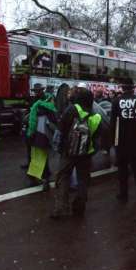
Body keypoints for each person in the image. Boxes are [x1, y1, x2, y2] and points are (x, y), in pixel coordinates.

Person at [51, 88, 102, 219]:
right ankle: (79, 206)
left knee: (63, 178)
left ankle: (60, 209)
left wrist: (59, 148)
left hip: (68, 152)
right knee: (83, 180)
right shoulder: (95, 115)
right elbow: (97, 137)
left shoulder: (71, 109)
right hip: (86, 154)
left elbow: (60, 131)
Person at [111, 78, 136, 202]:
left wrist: (113, 140)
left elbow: (113, 123)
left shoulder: (116, 101)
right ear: (133, 88)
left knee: (122, 169)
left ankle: (123, 194)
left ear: (122, 88)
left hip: (121, 141)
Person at [26, 93, 57, 191]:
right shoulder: (50, 108)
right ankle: (41, 180)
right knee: (40, 158)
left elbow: (32, 124)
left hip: (37, 135)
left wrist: (30, 135)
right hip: (43, 136)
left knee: (37, 158)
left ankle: (40, 180)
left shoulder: (37, 107)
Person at [21, 83, 46, 170]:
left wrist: (32, 113)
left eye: (37, 91)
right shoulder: (34, 99)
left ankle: (38, 166)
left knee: (38, 147)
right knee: (29, 144)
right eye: (35, 91)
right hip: (31, 124)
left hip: (39, 125)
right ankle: (30, 163)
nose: (36, 92)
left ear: (41, 90)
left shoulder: (45, 99)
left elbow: (43, 112)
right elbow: (29, 108)